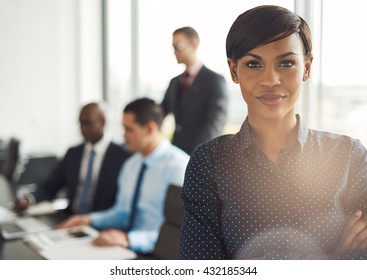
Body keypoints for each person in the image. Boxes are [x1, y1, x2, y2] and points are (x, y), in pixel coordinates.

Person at [180, 5, 367, 260]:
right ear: (234, 70)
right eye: (254, 64)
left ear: (307, 67)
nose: (270, 79)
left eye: (286, 63)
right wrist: (331, 261)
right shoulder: (209, 163)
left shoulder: (348, 157)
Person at [58, 98, 189, 254]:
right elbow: (122, 213)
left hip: (157, 255)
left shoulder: (180, 168)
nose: (124, 136)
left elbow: (183, 233)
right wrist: (90, 219)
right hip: (124, 247)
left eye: (129, 129)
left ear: (149, 128)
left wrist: (129, 239)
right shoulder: (131, 165)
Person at [13, 102, 131, 214]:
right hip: (70, 218)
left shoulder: (122, 156)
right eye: (80, 123)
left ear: (103, 122)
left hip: (100, 224)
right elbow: (50, 186)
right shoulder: (73, 153)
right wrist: (29, 199)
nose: (83, 128)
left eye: (88, 123)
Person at [161, 26, 228, 155]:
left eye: (178, 46)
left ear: (194, 44)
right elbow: (159, 113)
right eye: (173, 47)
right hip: (176, 152)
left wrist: (200, 157)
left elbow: (214, 124)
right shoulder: (174, 82)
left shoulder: (214, 80)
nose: (175, 51)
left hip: (201, 156)